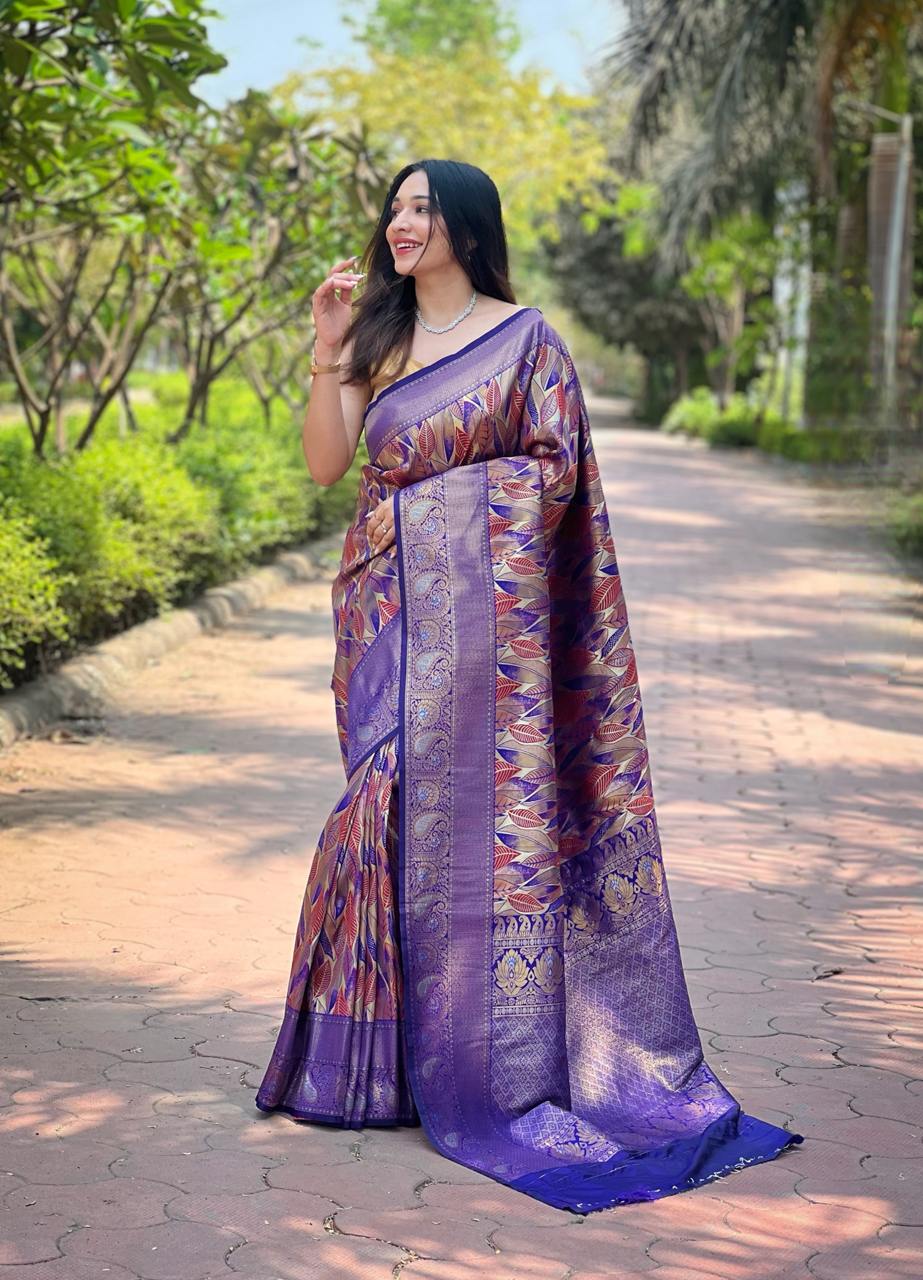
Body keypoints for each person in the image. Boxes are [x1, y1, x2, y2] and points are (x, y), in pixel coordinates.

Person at [254, 158, 803, 1212]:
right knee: (379, 808)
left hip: (485, 632)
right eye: (394, 207)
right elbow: (329, 467)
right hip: (382, 613)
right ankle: (375, 1066)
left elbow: (553, 475)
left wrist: (444, 510)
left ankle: (476, 1065)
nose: (400, 222)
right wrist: (325, 350)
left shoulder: (526, 339)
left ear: (465, 226)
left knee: (464, 820)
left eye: (422, 207)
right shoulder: (375, 338)